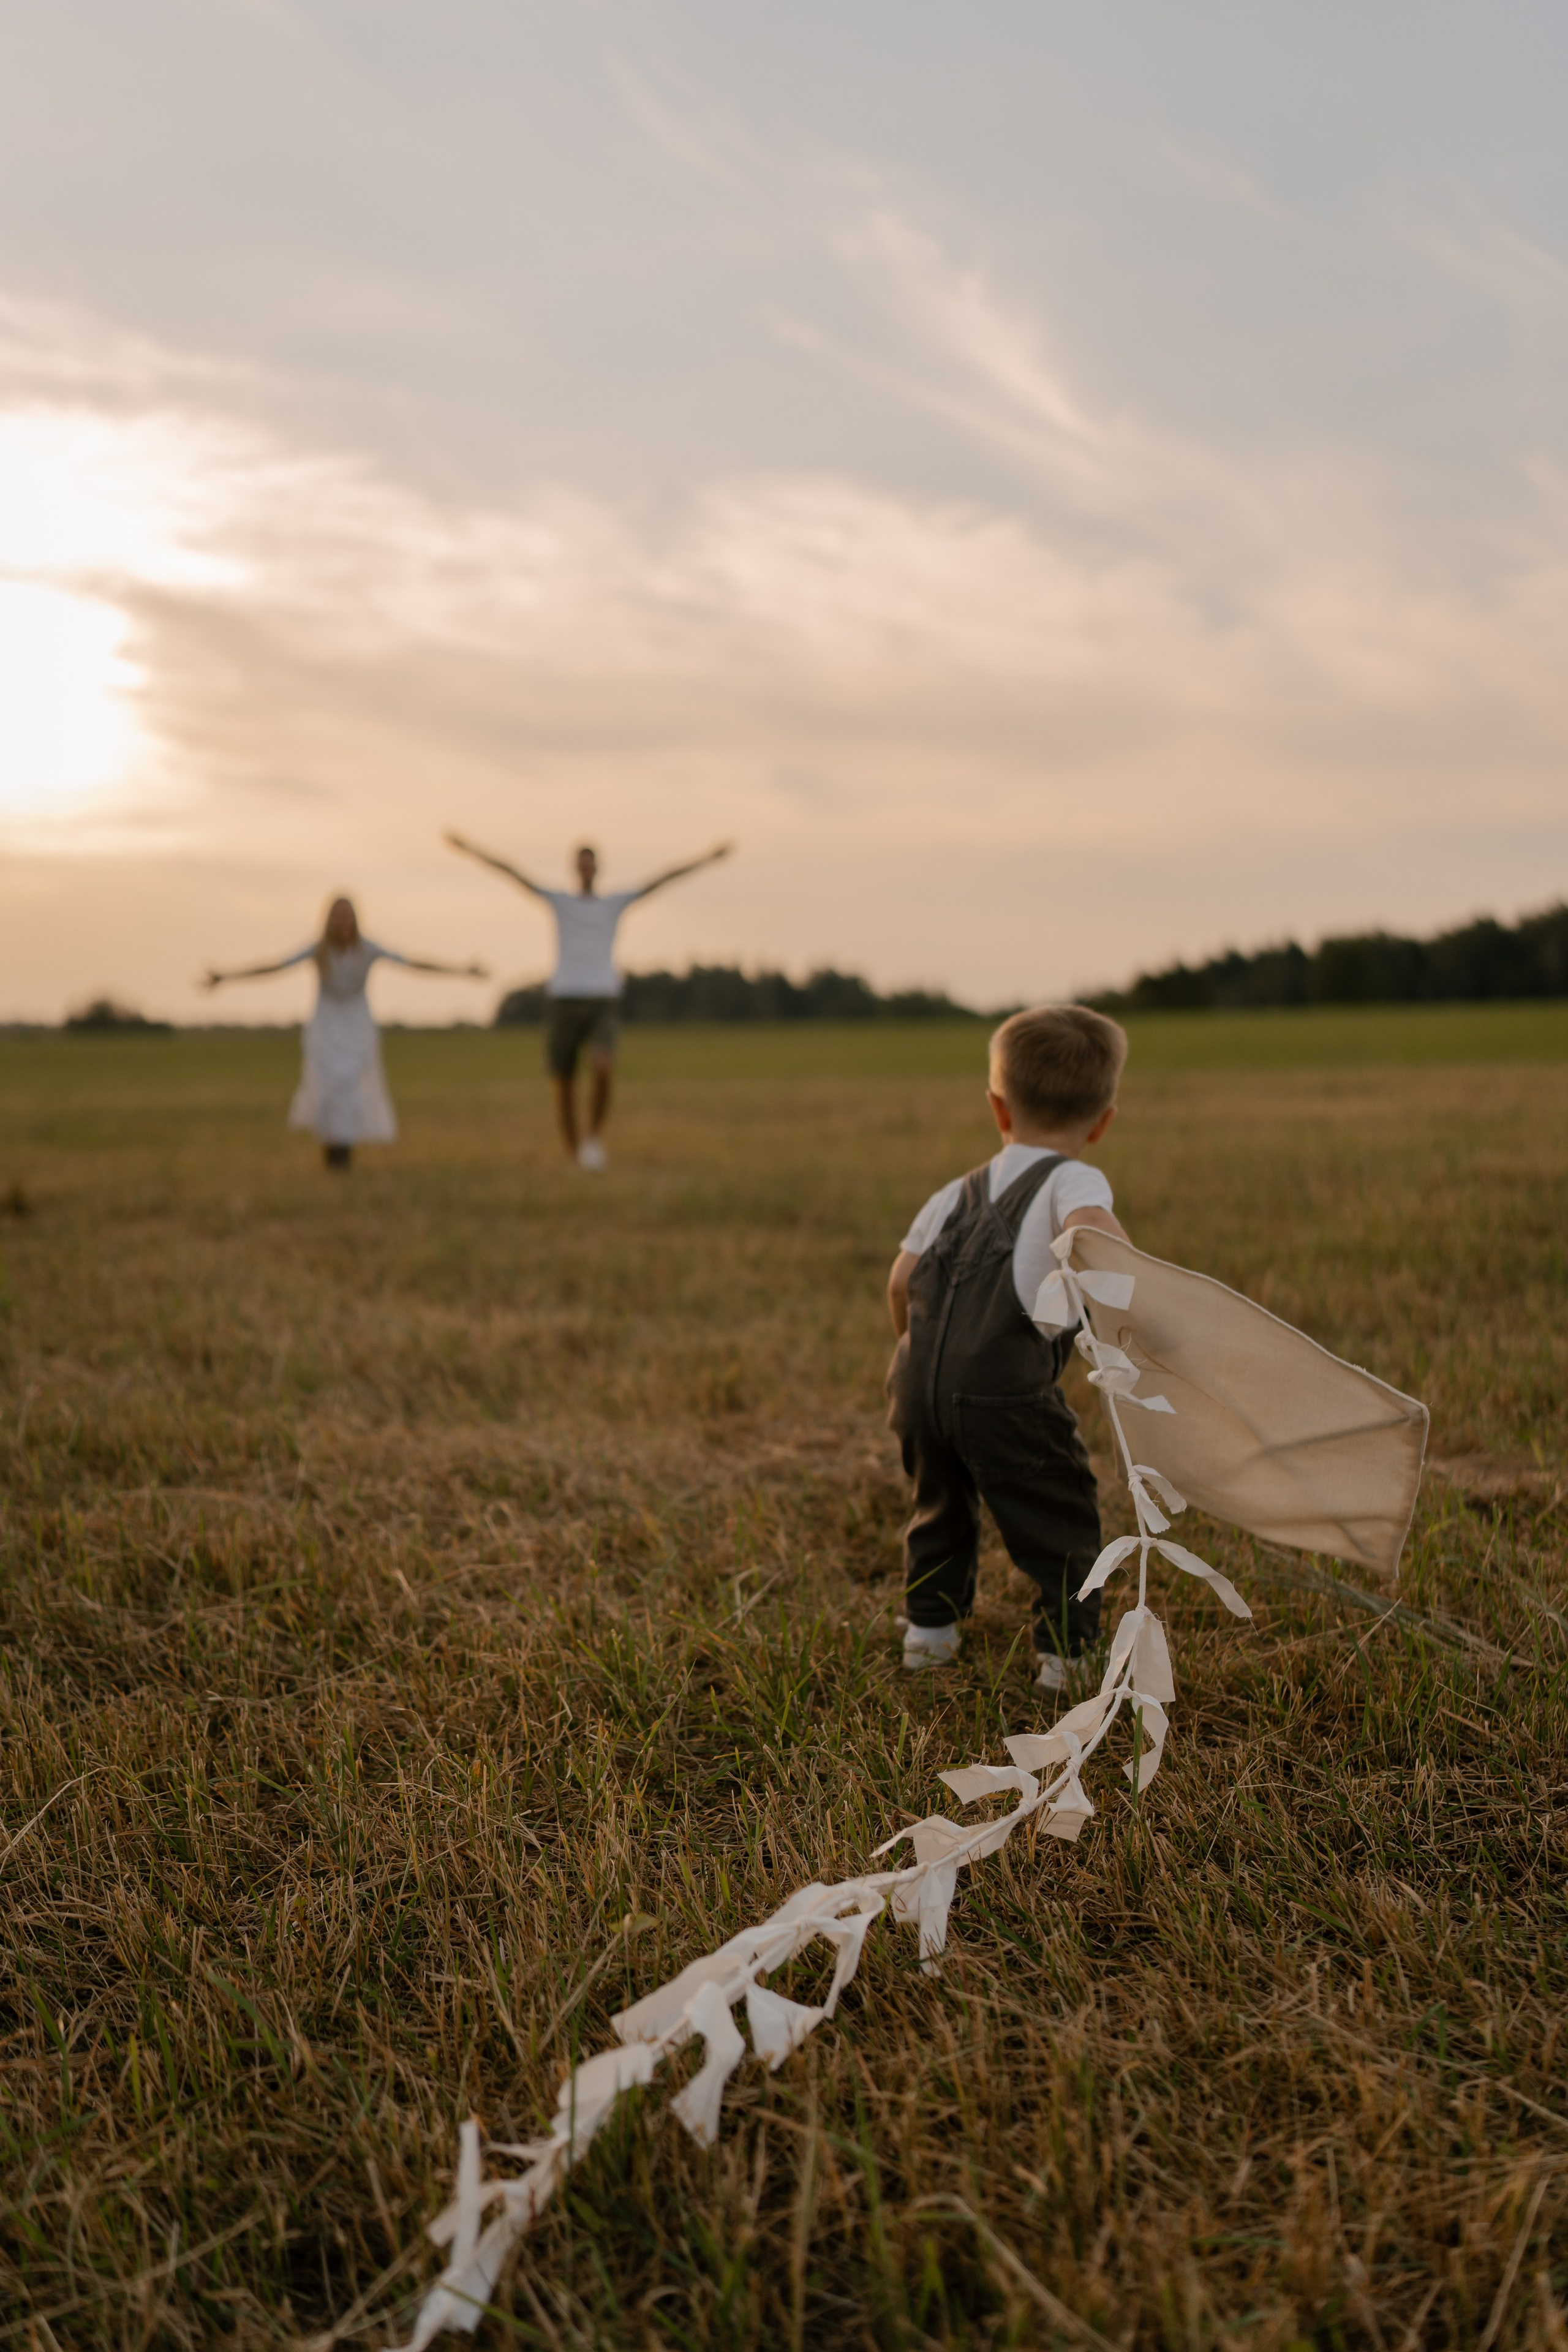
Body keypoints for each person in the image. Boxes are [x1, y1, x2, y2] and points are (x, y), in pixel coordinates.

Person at [884, 1004, 1131, 1691]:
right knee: (1060, 1514)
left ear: (998, 1108)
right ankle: (1066, 1658)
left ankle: (928, 1637)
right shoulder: (1072, 1180)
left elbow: (902, 1280)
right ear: (1103, 1119)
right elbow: (1098, 1238)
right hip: (1004, 1392)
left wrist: (919, 1354)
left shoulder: (950, 1193)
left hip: (916, 1384)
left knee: (939, 1503)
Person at [443, 832, 733, 1169]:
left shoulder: (614, 903)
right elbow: (511, 872)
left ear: (597, 869)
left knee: (603, 1065)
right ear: (574, 869)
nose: (586, 870)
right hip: (564, 998)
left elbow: (663, 879)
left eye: (590, 864)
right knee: (563, 1082)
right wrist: (470, 849)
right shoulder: (559, 901)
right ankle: (574, 1151)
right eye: (581, 864)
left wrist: (708, 858)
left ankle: (593, 1139)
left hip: (602, 999)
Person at [202, 896, 488, 1169]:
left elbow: (411, 962)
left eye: (347, 916)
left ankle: (345, 1151)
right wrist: (227, 976)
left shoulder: (368, 949)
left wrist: (461, 970)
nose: (342, 922)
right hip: (326, 1025)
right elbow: (277, 965)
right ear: (329, 919)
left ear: (355, 919)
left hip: (357, 1026)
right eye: (337, 916)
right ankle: (332, 1149)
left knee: (352, 1086)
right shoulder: (319, 950)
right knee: (328, 1085)